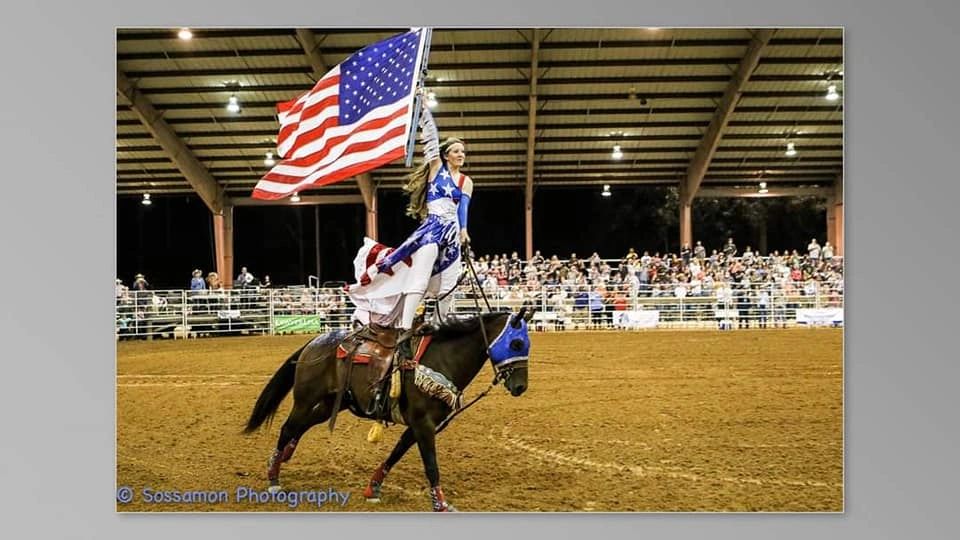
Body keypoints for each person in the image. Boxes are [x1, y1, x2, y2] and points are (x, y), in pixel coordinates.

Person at [345, 95, 473, 414]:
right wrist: (424, 109)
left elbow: (464, 209)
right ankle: (403, 329)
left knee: (450, 284)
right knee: (419, 274)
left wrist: (464, 230)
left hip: (451, 234)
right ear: (446, 154)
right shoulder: (435, 169)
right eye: (456, 151)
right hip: (431, 229)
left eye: (463, 152)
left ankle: (442, 328)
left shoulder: (466, 181)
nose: (461, 155)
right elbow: (429, 138)